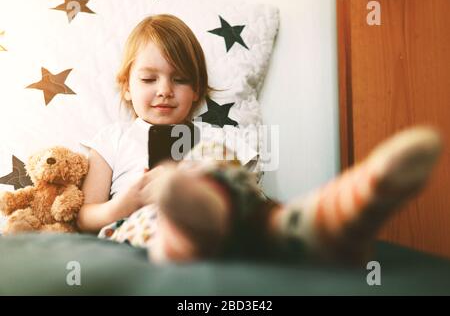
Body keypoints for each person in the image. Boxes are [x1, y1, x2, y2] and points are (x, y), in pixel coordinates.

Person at [78, 14, 442, 266]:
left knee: (249, 205)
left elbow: (247, 195)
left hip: (223, 221)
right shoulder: (112, 139)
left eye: (180, 79)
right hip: (141, 225)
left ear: (198, 90)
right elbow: (85, 216)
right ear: (126, 88)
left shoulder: (219, 139)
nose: (164, 91)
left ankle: (327, 217)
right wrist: (123, 204)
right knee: (173, 220)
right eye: (149, 79)